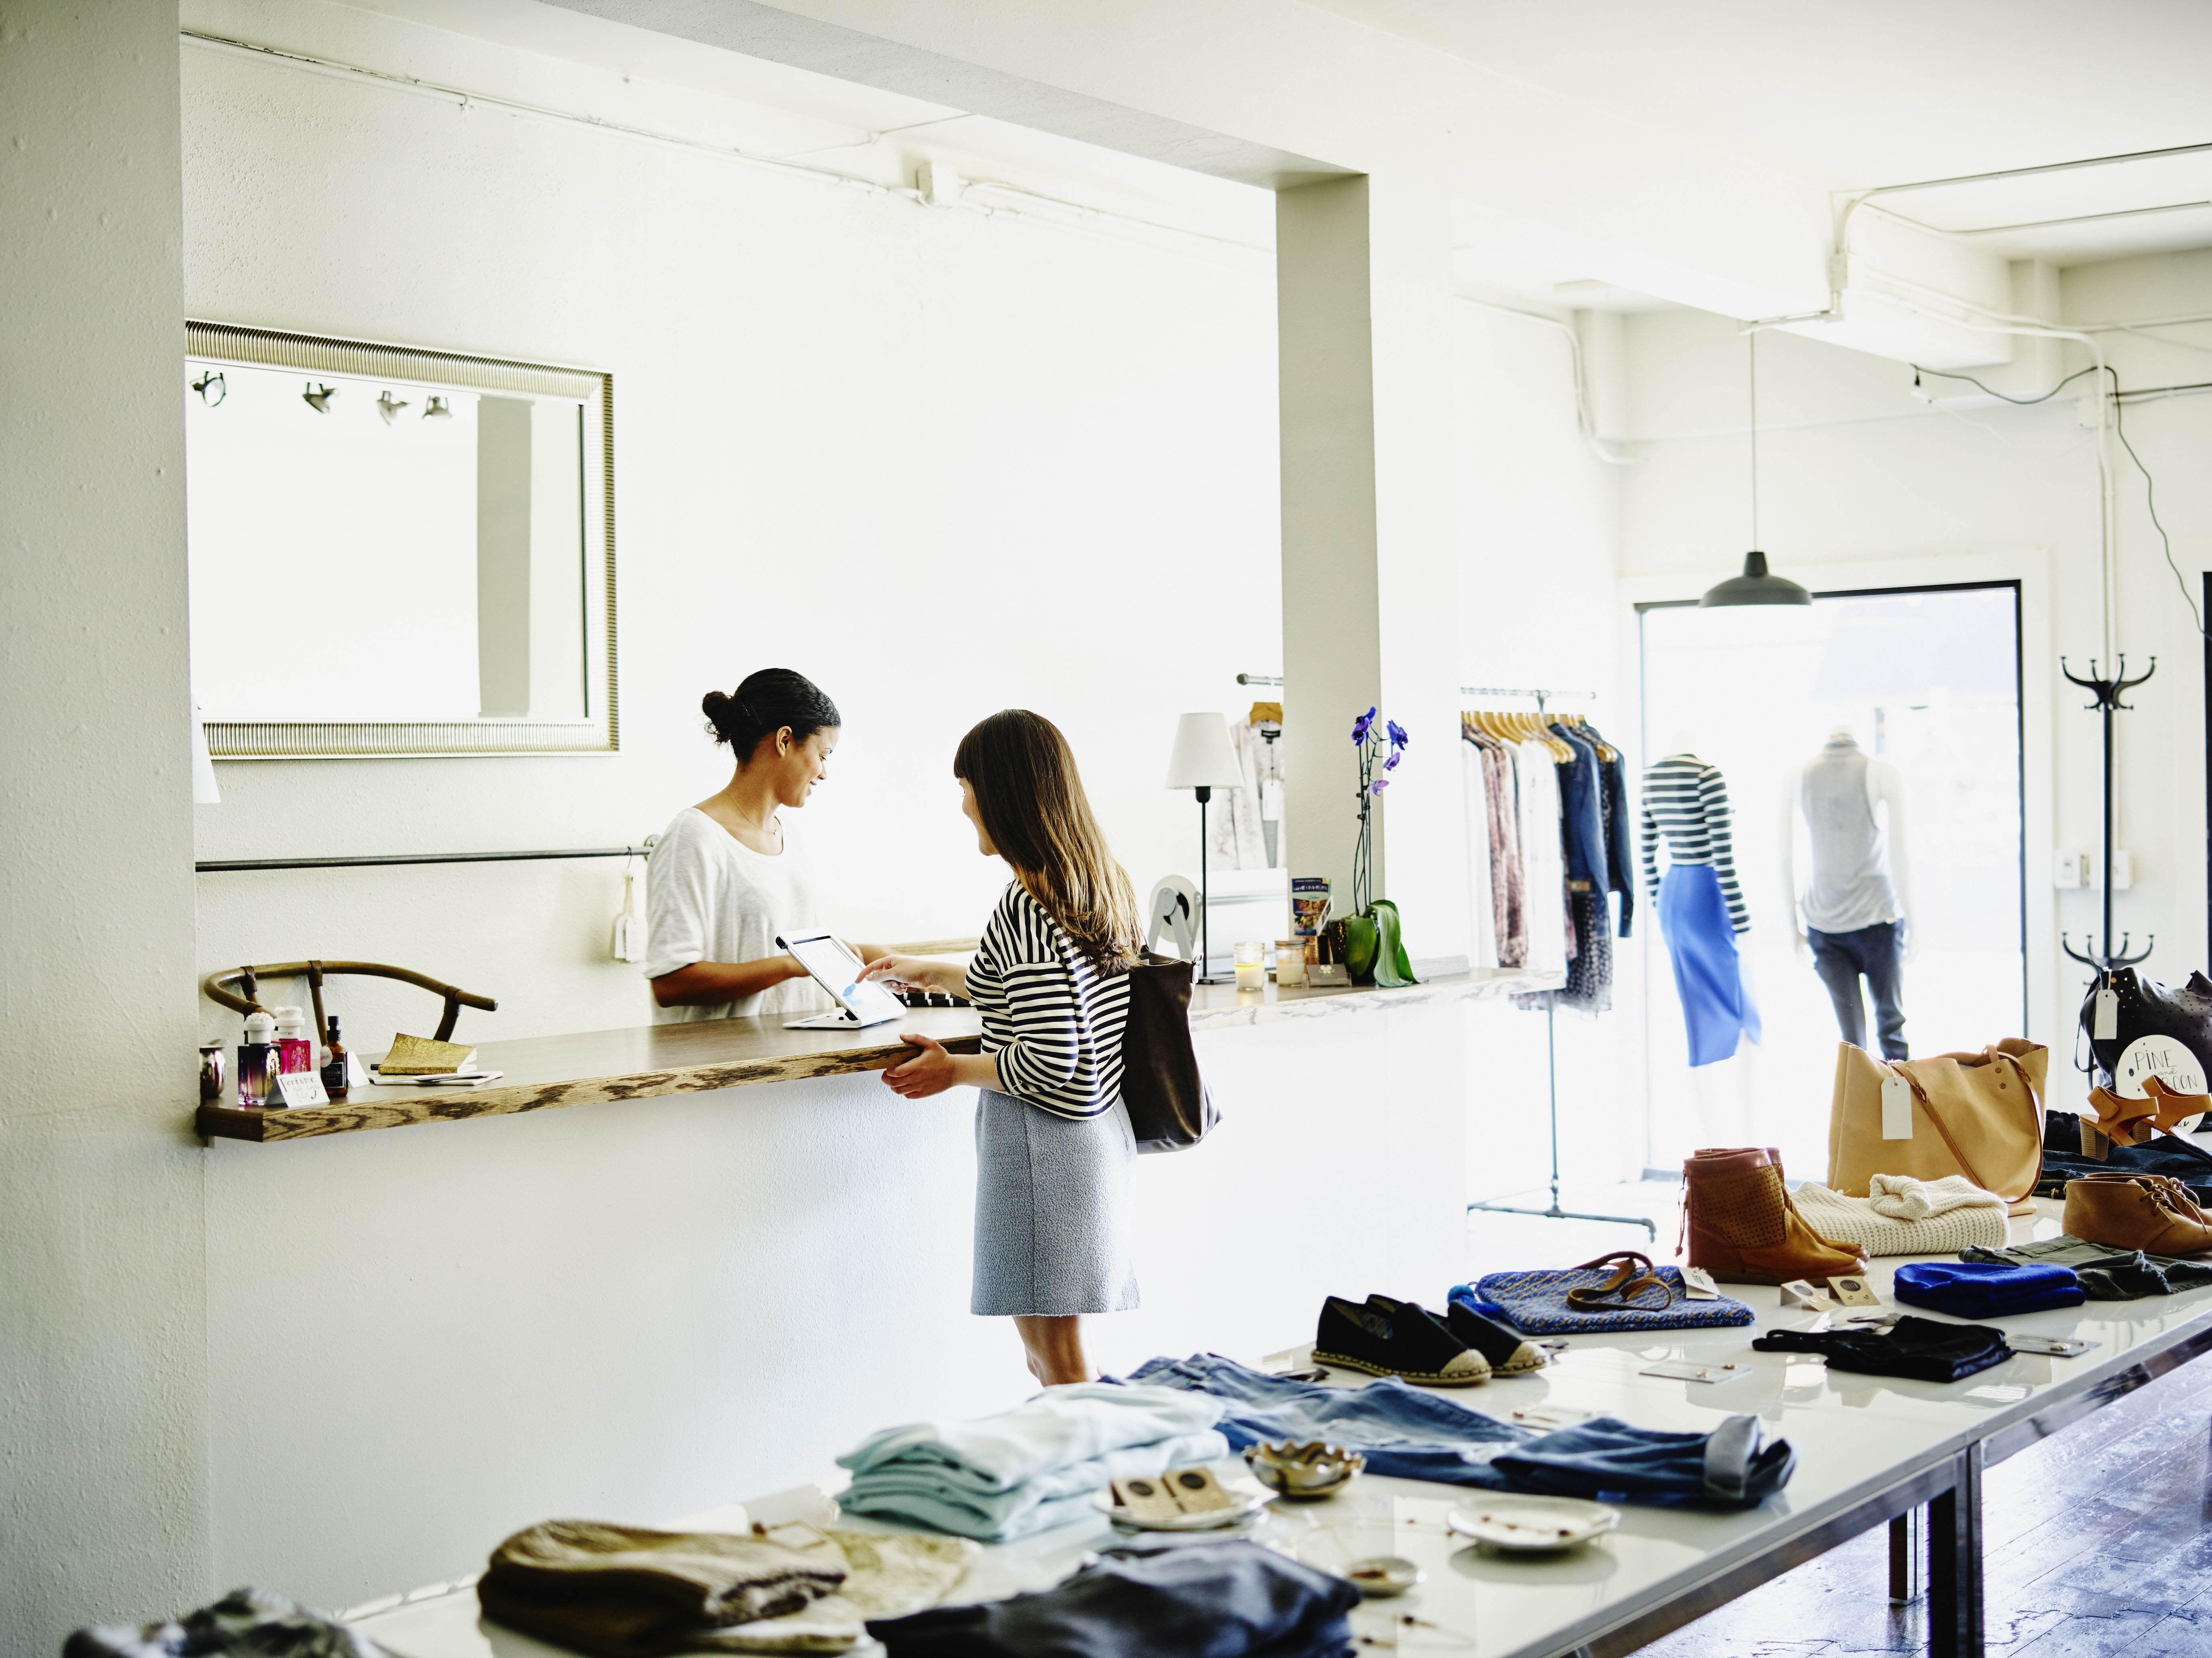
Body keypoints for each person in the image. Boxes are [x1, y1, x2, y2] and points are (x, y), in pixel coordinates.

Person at [859, 710, 1142, 1387]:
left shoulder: (1025, 903)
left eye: (967, 785)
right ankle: (1129, 1479)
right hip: (1092, 1139)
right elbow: (1047, 993)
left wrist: (951, 1069)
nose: (963, 803)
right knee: (1062, 1359)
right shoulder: (1091, 883)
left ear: (1002, 790)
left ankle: (1127, 1486)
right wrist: (933, 971)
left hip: (1045, 1153)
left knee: (1059, 1362)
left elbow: (1049, 1059)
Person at [646, 668, 883, 1020]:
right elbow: (671, 983)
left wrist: (874, 955)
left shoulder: (788, 835)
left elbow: (784, 944)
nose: (824, 772)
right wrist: (791, 966)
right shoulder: (694, 836)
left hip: (802, 1058)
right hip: (730, 1068)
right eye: (824, 754)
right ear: (785, 740)